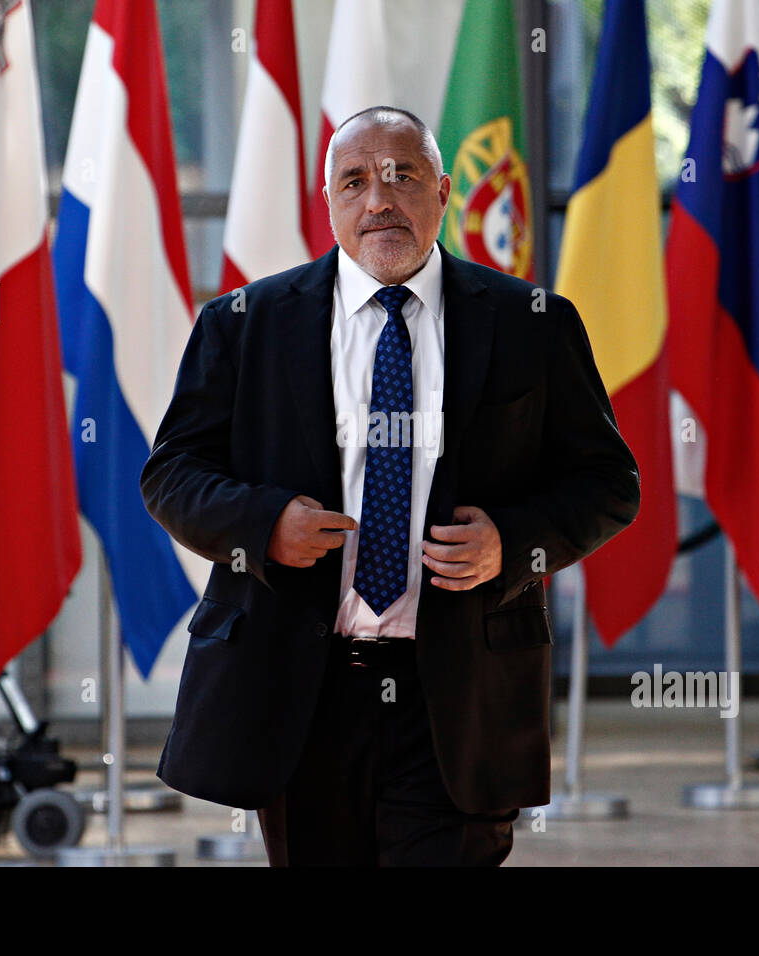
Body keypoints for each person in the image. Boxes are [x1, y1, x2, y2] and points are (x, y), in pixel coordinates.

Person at [141, 106, 640, 866]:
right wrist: (265, 523)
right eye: (355, 180)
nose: (380, 198)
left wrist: (512, 543)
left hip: (460, 691)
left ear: (442, 192)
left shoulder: (531, 322)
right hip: (299, 694)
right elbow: (172, 474)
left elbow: (609, 482)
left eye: (402, 176)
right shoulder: (246, 323)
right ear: (329, 201)